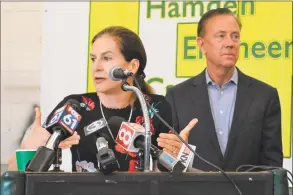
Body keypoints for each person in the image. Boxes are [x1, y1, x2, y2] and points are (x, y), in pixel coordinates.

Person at [8, 26, 197, 172]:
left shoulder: (155, 107)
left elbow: (172, 174)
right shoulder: (75, 107)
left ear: (132, 66)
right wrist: (29, 147)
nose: (96, 67)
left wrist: (180, 154)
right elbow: (13, 171)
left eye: (106, 58)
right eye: (93, 59)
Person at [158, 8, 283, 171]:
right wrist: (175, 154)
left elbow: (273, 167)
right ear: (201, 44)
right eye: (221, 36)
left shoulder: (265, 96)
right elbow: (164, 165)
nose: (230, 43)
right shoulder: (177, 96)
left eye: (235, 36)